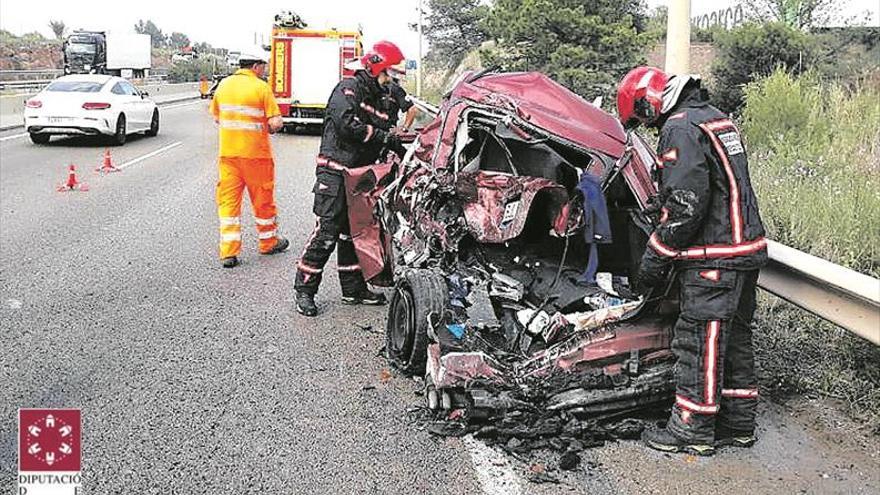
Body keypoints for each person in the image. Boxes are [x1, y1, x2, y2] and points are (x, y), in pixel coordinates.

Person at [616, 66, 768, 456]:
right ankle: (737, 423)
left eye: (642, 119)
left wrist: (656, 256)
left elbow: (685, 206)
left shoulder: (680, 127)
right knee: (732, 340)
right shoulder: (714, 116)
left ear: (648, 104)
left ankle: (692, 428)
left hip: (713, 257)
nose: (649, 127)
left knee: (699, 340)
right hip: (742, 251)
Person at [293, 41, 407, 317]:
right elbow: (347, 126)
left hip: (359, 176)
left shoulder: (385, 95)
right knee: (328, 230)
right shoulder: (349, 89)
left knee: (353, 231)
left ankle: (353, 289)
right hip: (334, 170)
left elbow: (392, 126)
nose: (390, 80)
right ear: (375, 66)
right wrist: (384, 138)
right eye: (387, 73)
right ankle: (305, 290)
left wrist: (408, 151)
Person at [209, 47, 289, 268]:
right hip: (256, 157)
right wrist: (269, 127)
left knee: (228, 204)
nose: (264, 71)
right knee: (263, 201)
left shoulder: (223, 85)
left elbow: (217, 117)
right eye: (263, 67)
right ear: (255, 66)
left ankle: (228, 251)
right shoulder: (261, 88)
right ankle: (268, 242)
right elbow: (275, 123)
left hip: (228, 156)